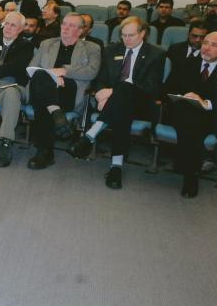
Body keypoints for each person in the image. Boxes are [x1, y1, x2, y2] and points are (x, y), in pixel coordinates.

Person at [68, 17, 166, 190]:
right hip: (117, 105)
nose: (126, 39)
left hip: (141, 103)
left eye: (131, 35)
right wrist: (100, 94)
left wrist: (111, 94)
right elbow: (100, 80)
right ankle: (116, 166)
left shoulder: (156, 54)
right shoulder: (110, 50)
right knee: (122, 109)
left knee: (125, 89)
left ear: (143, 33)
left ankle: (90, 135)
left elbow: (151, 87)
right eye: (123, 35)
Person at [26, 13, 101, 170]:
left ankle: (44, 151)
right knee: (42, 82)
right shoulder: (47, 44)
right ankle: (54, 113)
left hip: (71, 92)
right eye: (64, 24)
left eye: (71, 25)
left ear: (80, 31)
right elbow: (31, 69)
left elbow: (92, 72)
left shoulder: (92, 48)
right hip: (46, 90)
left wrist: (63, 71)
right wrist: (51, 76)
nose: (66, 28)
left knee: (42, 99)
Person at [163, 31, 217, 198]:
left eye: (214, 45)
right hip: (182, 112)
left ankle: (186, 166)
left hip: (212, 116)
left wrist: (205, 103)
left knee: (194, 120)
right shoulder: (187, 63)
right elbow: (169, 88)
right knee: (189, 115)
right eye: (205, 43)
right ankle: (192, 173)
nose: (207, 48)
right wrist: (184, 97)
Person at [0, 11, 34, 167]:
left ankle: (6, 142)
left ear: (20, 29)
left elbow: (16, 67)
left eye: (13, 25)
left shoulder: (26, 46)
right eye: (7, 23)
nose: (8, 27)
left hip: (13, 85)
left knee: (11, 95)